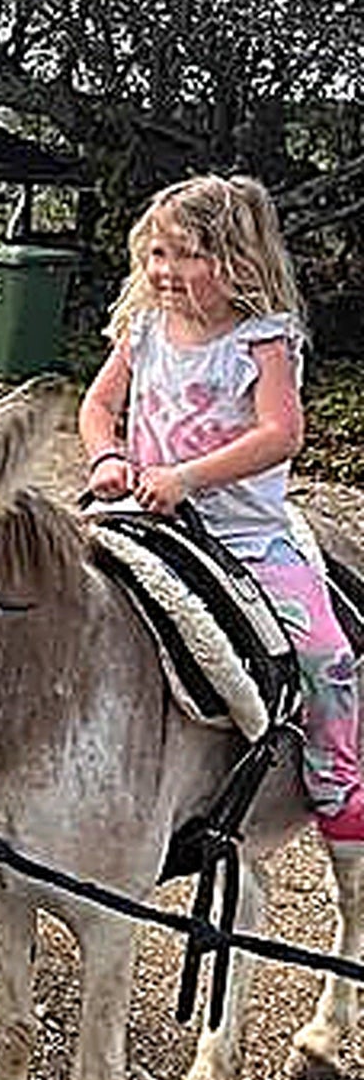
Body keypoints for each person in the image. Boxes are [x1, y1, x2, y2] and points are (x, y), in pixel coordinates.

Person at [80, 173, 364, 846]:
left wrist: (184, 476)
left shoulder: (264, 338)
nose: (166, 271)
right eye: (156, 254)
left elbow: (280, 434)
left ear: (236, 260)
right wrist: (106, 460)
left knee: (327, 657)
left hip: (248, 536)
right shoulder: (144, 327)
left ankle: (339, 782)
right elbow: (97, 407)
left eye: (187, 255)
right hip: (142, 518)